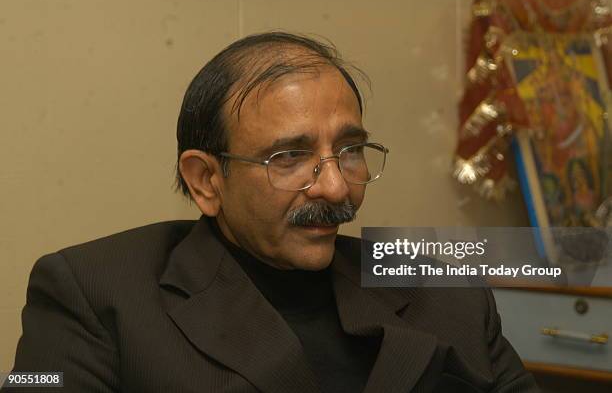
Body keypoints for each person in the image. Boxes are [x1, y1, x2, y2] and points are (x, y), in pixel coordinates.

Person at [5, 32, 539, 392]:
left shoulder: (443, 290)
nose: (334, 187)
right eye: (289, 157)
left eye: (350, 150)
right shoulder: (94, 293)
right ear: (206, 180)